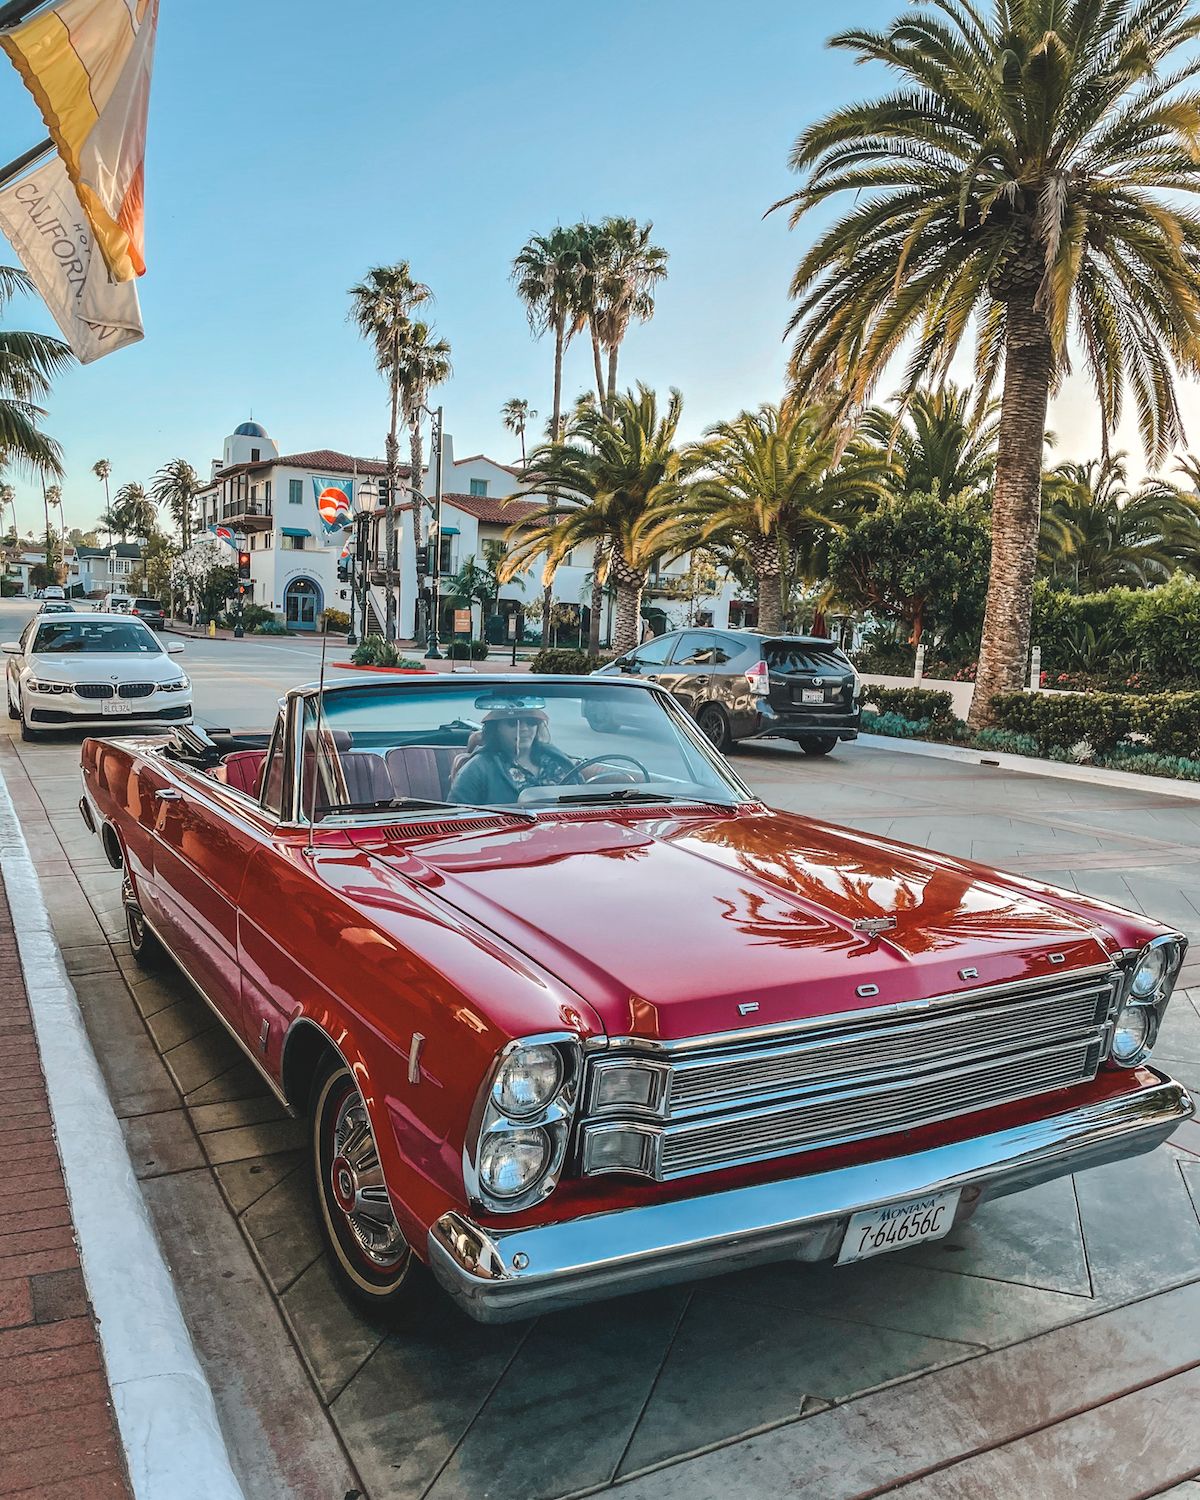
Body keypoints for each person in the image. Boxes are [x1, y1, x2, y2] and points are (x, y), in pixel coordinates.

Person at [448, 703, 575, 805]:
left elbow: (582, 796)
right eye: (513, 723)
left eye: (531, 722)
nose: (524, 729)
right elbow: (456, 817)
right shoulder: (478, 768)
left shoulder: (555, 757)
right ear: (496, 728)